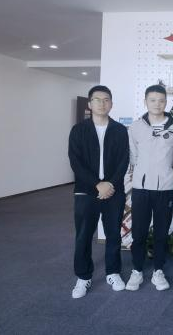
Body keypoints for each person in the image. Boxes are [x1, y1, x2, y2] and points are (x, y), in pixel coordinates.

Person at [68, 85, 130, 299]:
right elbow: (75, 162)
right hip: (86, 191)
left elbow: (124, 161)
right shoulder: (78, 130)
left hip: (114, 191)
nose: (102, 103)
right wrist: (97, 184)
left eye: (106, 100)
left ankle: (113, 272)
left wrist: (109, 184)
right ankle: (83, 276)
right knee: (83, 235)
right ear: (89, 104)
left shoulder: (120, 130)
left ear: (111, 103)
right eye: (97, 99)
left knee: (113, 234)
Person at [125, 84, 173, 292]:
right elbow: (133, 157)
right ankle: (137, 270)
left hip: (165, 188)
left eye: (161, 100)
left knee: (161, 233)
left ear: (166, 102)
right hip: (141, 188)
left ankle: (158, 270)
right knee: (138, 232)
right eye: (153, 100)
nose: (157, 104)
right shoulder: (135, 127)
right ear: (145, 101)